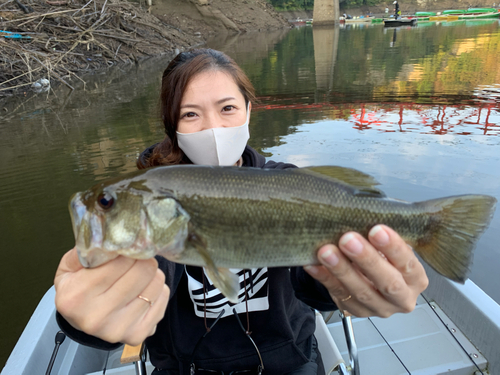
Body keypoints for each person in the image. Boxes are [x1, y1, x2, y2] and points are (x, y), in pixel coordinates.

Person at [54, 49, 429, 375]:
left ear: (249, 110)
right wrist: (84, 320)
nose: (213, 127)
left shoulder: (289, 184)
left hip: (290, 365)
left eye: (228, 108)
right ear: (174, 127)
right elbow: (139, 288)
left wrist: (349, 287)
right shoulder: (150, 203)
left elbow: (310, 279)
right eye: (190, 115)